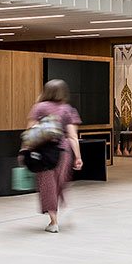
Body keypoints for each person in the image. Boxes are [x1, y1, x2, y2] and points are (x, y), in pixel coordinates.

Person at [25, 79, 82, 234]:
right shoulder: (68, 109)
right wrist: (78, 157)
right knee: (59, 182)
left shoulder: (39, 108)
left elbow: (30, 131)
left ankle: (54, 221)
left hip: (44, 152)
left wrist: (24, 150)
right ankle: (64, 205)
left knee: (47, 185)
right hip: (64, 152)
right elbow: (72, 136)